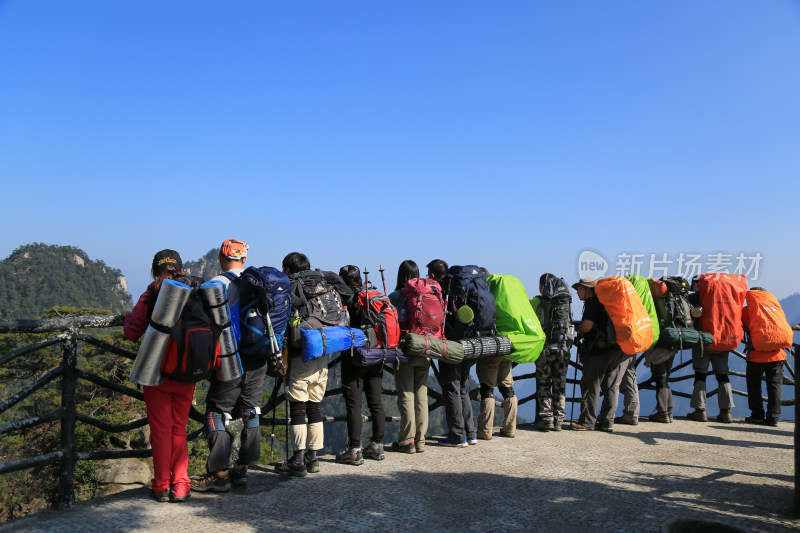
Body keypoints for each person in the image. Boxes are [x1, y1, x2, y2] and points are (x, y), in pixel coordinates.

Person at [124, 249, 194, 503]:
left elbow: (132, 332)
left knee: (161, 430)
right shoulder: (193, 291)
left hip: (158, 373)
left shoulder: (151, 293)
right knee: (179, 428)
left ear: (155, 270)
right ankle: (182, 485)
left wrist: (129, 318)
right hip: (188, 371)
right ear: (181, 268)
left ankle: (162, 484)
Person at [192, 239, 263, 492]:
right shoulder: (259, 282)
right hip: (259, 356)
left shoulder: (217, 284)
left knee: (216, 411)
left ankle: (219, 473)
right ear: (244, 258)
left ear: (222, 258)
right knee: (250, 409)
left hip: (231, 357)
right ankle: (242, 470)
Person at [276, 252, 353, 476]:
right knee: (315, 405)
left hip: (302, 353)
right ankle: (313, 457)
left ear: (288, 269)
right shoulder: (322, 280)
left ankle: (298, 460)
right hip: (324, 348)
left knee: (298, 405)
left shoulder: (294, 284)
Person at [336, 265, 386, 465]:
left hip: (354, 356)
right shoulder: (373, 294)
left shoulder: (346, 299)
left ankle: (355, 450)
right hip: (376, 353)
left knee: (354, 405)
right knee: (376, 401)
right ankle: (377, 446)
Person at [570, 278, 628, 433]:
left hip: (598, 349)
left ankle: (587, 421)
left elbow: (588, 326)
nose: (577, 292)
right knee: (610, 385)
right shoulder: (606, 302)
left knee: (591, 384)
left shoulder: (592, 302)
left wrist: (579, 329)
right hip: (615, 348)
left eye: (580, 288)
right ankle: (607, 421)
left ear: (588, 289)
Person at [434, 259, 479, 447]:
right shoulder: (466, 289)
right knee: (463, 388)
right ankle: (471, 433)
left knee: (452, 387)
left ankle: (458, 436)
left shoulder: (446, 290)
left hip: (453, 344)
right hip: (471, 342)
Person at [388, 260, 431, 453]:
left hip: (405, 350)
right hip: (426, 348)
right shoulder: (426, 295)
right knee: (421, 396)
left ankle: (407, 441)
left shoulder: (395, 297)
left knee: (406, 395)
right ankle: (421, 441)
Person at [686, 277, 734, 423]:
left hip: (703, 340)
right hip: (722, 340)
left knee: (700, 375)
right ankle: (726, 411)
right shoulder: (724, 297)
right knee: (723, 375)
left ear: (696, 284)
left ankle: (700, 410)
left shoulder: (695, 297)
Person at [742, 287, 787, 427]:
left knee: (754, 385)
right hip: (777, 354)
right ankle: (773, 417)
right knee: (775, 386)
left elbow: (740, 325)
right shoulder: (775, 308)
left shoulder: (746, 311)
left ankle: (757, 415)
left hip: (757, 355)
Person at [533, 273, 569, 432]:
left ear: (542, 287)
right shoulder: (564, 301)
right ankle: (559, 420)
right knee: (559, 384)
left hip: (545, 348)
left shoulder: (536, 302)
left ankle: (546, 419)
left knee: (543, 383)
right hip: (563, 347)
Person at [643, 347, 678, 423]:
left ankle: (663, 413)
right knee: (664, 380)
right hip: (671, 350)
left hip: (657, 352)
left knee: (660, 380)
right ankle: (669, 411)